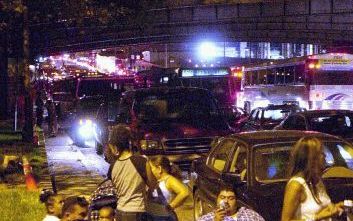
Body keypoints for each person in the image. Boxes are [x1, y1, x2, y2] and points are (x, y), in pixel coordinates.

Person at [281, 137, 344, 221]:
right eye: (321, 153)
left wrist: (336, 206)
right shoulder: (296, 185)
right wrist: (317, 217)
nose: (325, 156)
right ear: (312, 158)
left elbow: (323, 210)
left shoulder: (316, 181)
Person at [108, 124, 157, 221]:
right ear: (129, 142)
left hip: (120, 212)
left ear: (115, 145)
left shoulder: (113, 166)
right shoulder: (141, 161)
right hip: (136, 212)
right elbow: (153, 185)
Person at [147, 156, 189, 221]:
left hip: (165, 218)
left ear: (159, 168)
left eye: (150, 168)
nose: (149, 171)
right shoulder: (155, 181)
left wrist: (171, 206)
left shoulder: (169, 180)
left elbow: (184, 192)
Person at [197, 186, 265, 221]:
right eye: (222, 197)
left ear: (236, 201)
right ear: (217, 200)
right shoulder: (206, 218)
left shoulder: (251, 214)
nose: (226, 201)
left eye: (231, 198)